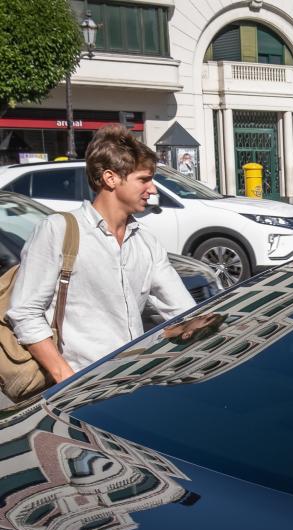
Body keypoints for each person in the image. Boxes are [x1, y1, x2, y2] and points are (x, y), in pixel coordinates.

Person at [5, 124, 195, 384]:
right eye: (143, 179)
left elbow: (184, 312)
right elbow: (24, 313)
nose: (153, 189)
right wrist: (66, 378)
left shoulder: (146, 243)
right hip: (79, 389)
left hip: (133, 383)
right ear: (110, 178)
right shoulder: (59, 230)